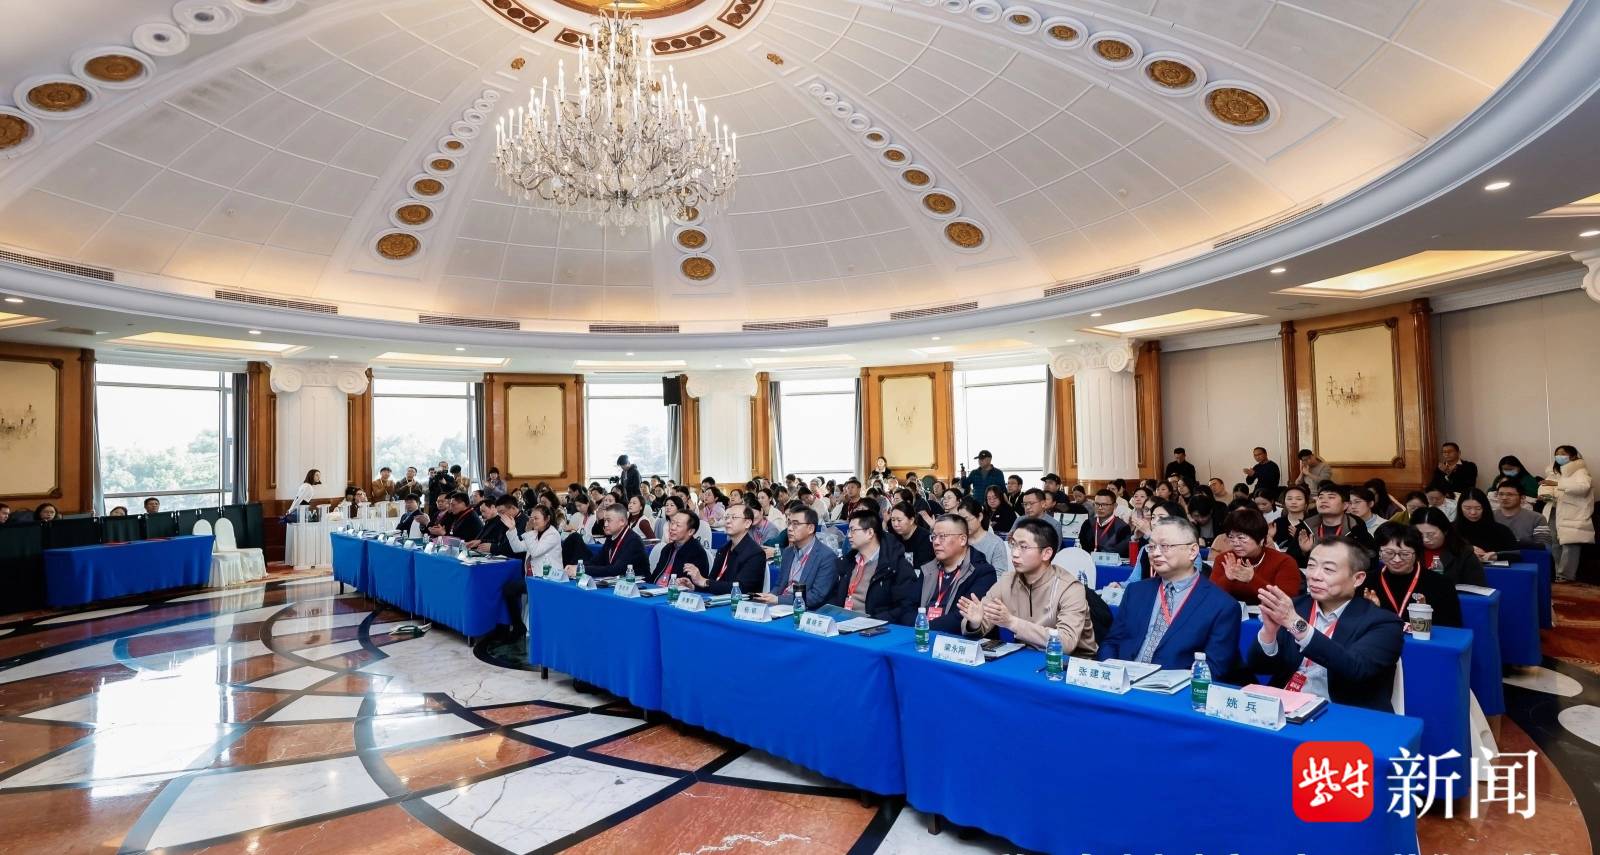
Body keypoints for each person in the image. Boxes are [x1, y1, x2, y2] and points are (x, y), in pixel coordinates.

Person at [1248, 536, 1404, 713]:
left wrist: (1296, 624)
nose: (1314, 576)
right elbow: (1259, 667)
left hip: (1343, 713)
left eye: (1328, 569)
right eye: (1311, 566)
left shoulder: (1383, 623)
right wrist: (1269, 633)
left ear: (1358, 579)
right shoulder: (1295, 607)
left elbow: (1356, 669)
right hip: (1285, 708)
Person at [1096, 516, 1239, 673]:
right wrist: (1111, 671)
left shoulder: (1222, 606)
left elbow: (1214, 669)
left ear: (1192, 551)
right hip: (1123, 680)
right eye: (1151, 547)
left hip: (1176, 686)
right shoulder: (1136, 591)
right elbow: (1111, 642)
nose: (1155, 553)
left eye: (1164, 546)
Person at [957, 517, 1097, 654]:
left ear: (1046, 553)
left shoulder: (1069, 588)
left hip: (1069, 662)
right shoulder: (1008, 581)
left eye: (1023, 547)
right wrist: (975, 623)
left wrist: (1012, 622)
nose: (1014, 553)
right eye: (1013, 544)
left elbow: (1066, 643)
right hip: (1026, 656)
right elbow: (978, 623)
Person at [1363, 523, 1461, 628]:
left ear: (1417, 554)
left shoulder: (1441, 584)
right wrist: (1373, 612)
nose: (1397, 560)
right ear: (1379, 552)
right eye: (1389, 553)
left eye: (1405, 554)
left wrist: (1425, 615)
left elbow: (1451, 627)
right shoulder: (1366, 581)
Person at [830, 510, 920, 622]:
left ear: (870, 533)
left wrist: (873, 621)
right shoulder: (849, 561)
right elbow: (836, 596)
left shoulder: (895, 566)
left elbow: (904, 607)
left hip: (873, 625)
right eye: (849, 530)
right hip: (842, 621)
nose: (848, 535)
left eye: (853, 530)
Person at [916, 514, 997, 634]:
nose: (936, 542)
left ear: (962, 539)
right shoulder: (928, 569)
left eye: (942, 536)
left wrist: (923, 626)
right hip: (922, 634)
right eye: (934, 537)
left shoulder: (983, 572)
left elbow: (961, 616)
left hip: (953, 638)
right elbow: (908, 606)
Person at [1210, 508, 1301, 605]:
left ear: (1261, 539)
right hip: (1231, 612)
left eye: (1241, 538)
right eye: (1231, 537)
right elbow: (1210, 597)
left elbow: (1287, 600)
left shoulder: (1284, 562)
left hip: (1271, 613)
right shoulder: (1224, 559)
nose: (1235, 543)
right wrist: (1227, 579)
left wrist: (1252, 579)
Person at [755, 506, 837, 609]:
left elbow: (816, 597)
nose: (789, 528)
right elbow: (779, 586)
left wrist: (778, 600)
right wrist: (769, 597)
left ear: (810, 528)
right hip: (782, 607)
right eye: (789, 523)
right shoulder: (788, 552)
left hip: (807, 610)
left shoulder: (826, 556)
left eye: (795, 524)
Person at [679, 504, 767, 596]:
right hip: (717, 599)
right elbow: (713, 581)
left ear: (747, 523)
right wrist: (694, 586)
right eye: (727, 517)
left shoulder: (755, 553)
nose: (728, 521)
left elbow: (742, 589)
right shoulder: (723, 549)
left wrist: (705, 581)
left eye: (734, 517)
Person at [1288, 483, 1375, 568]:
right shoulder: (1306, 527)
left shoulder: (1356, 529)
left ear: (1345, 505)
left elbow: (1370, 562)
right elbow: (1290, 562)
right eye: (1320, 497)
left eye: (1331, 497)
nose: (1324, 501)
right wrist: (1305, 552)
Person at [1540, 445, 1593, 583]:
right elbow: (1546, 487)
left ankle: (1566, 576)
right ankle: (1558, 573)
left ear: (1573, 456)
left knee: (1570, 544)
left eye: (1563, 454)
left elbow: (1583, 488)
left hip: (1573, 513)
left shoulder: (1580, 471)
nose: (1559, 456)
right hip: (1554, 510)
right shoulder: (1554, 472)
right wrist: (1545, 495)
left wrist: (1557, 485)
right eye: (1557, 454)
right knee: (1554, 543)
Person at [565, 504, 648, 579]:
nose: (605, 524)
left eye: (609, 520)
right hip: (617, 581)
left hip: (638, 585)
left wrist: (583, 570)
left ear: (622, 522)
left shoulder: (633, 541)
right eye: (605, 520)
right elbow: (596, 561)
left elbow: (616, 570)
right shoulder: (611, 538)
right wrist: (577, 567)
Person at [1411, 507, 1486, 586]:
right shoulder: (1410, 550)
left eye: (1431, 534)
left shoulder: (1464, 553)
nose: (1425, 539)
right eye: (1419, 534)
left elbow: (1477, 586)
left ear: (1445, 531)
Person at [649, 508, 710, 587]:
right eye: (672, 523)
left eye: (678, 525)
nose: (672, 528)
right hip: (655, 589)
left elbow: (696, 586)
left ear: (691, 531)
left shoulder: (697, 553)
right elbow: (654, 577)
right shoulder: (667, 549)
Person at [1454, 488, 1517, 559]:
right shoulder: (1451, 530)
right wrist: (1466, 550)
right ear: (1460, 508)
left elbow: (1516, 554)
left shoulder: (1501, 530)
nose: (1473, 512)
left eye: (1478, 508)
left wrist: (1497, 555)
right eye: (1467, 508)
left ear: (1485, 508)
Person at [956, 496, 1011, 576]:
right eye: (961, 521)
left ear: (980, 517)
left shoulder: (995, 543)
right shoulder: (958, 541)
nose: (963, 525)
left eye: (966, 520)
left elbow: (1000, 575)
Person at [1492, 481, 1550, 547]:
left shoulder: (1537, 518)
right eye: (1501, 494)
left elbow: (1544, 547)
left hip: (1526, 553)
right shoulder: (1489, 516)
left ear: (1522, 498)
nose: (1504, 498)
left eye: (1510, 494)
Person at [1077, 489, 1132, 555]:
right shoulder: (1088, 524)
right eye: (1097, 504)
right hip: (1087, 560)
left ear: (1114, 506)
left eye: (1104, 504)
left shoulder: (1123, 527)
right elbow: (1081, 547)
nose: (1100, 508)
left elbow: (1123, 553)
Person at [887, 502, 935, 568]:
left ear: (911, 520)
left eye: (899, 520)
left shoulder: (925, 540)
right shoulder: (894, 536)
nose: (895, 524)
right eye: (893, 520)